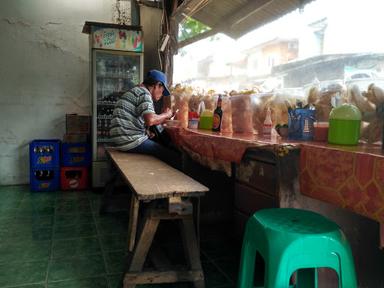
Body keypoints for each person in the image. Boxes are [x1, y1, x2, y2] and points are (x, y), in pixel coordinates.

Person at [109, 69, 181, 169]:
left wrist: (146, 132)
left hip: (120, 140)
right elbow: (150, 120)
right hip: (129, 141)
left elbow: (136, 119)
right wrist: (166, 114)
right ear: (157, 85)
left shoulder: (134, 91)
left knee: (156, 143)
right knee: (172, 156)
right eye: (162, 91)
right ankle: (171, 182)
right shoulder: (144, 93)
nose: (161, 95)